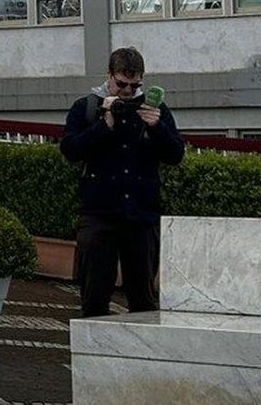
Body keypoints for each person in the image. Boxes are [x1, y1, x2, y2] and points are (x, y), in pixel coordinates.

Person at [61, 46, 184, 318]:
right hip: (99, 214)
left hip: (141, 215)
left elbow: (176, 154)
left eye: (135, 85)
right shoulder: (88, 107)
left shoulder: (154, 108)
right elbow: (70, 149)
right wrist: (104, 125)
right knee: (94, 297)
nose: (127, 91)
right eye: (121, 84)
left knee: (143, 299)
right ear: (109, 75)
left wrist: (157, 127)